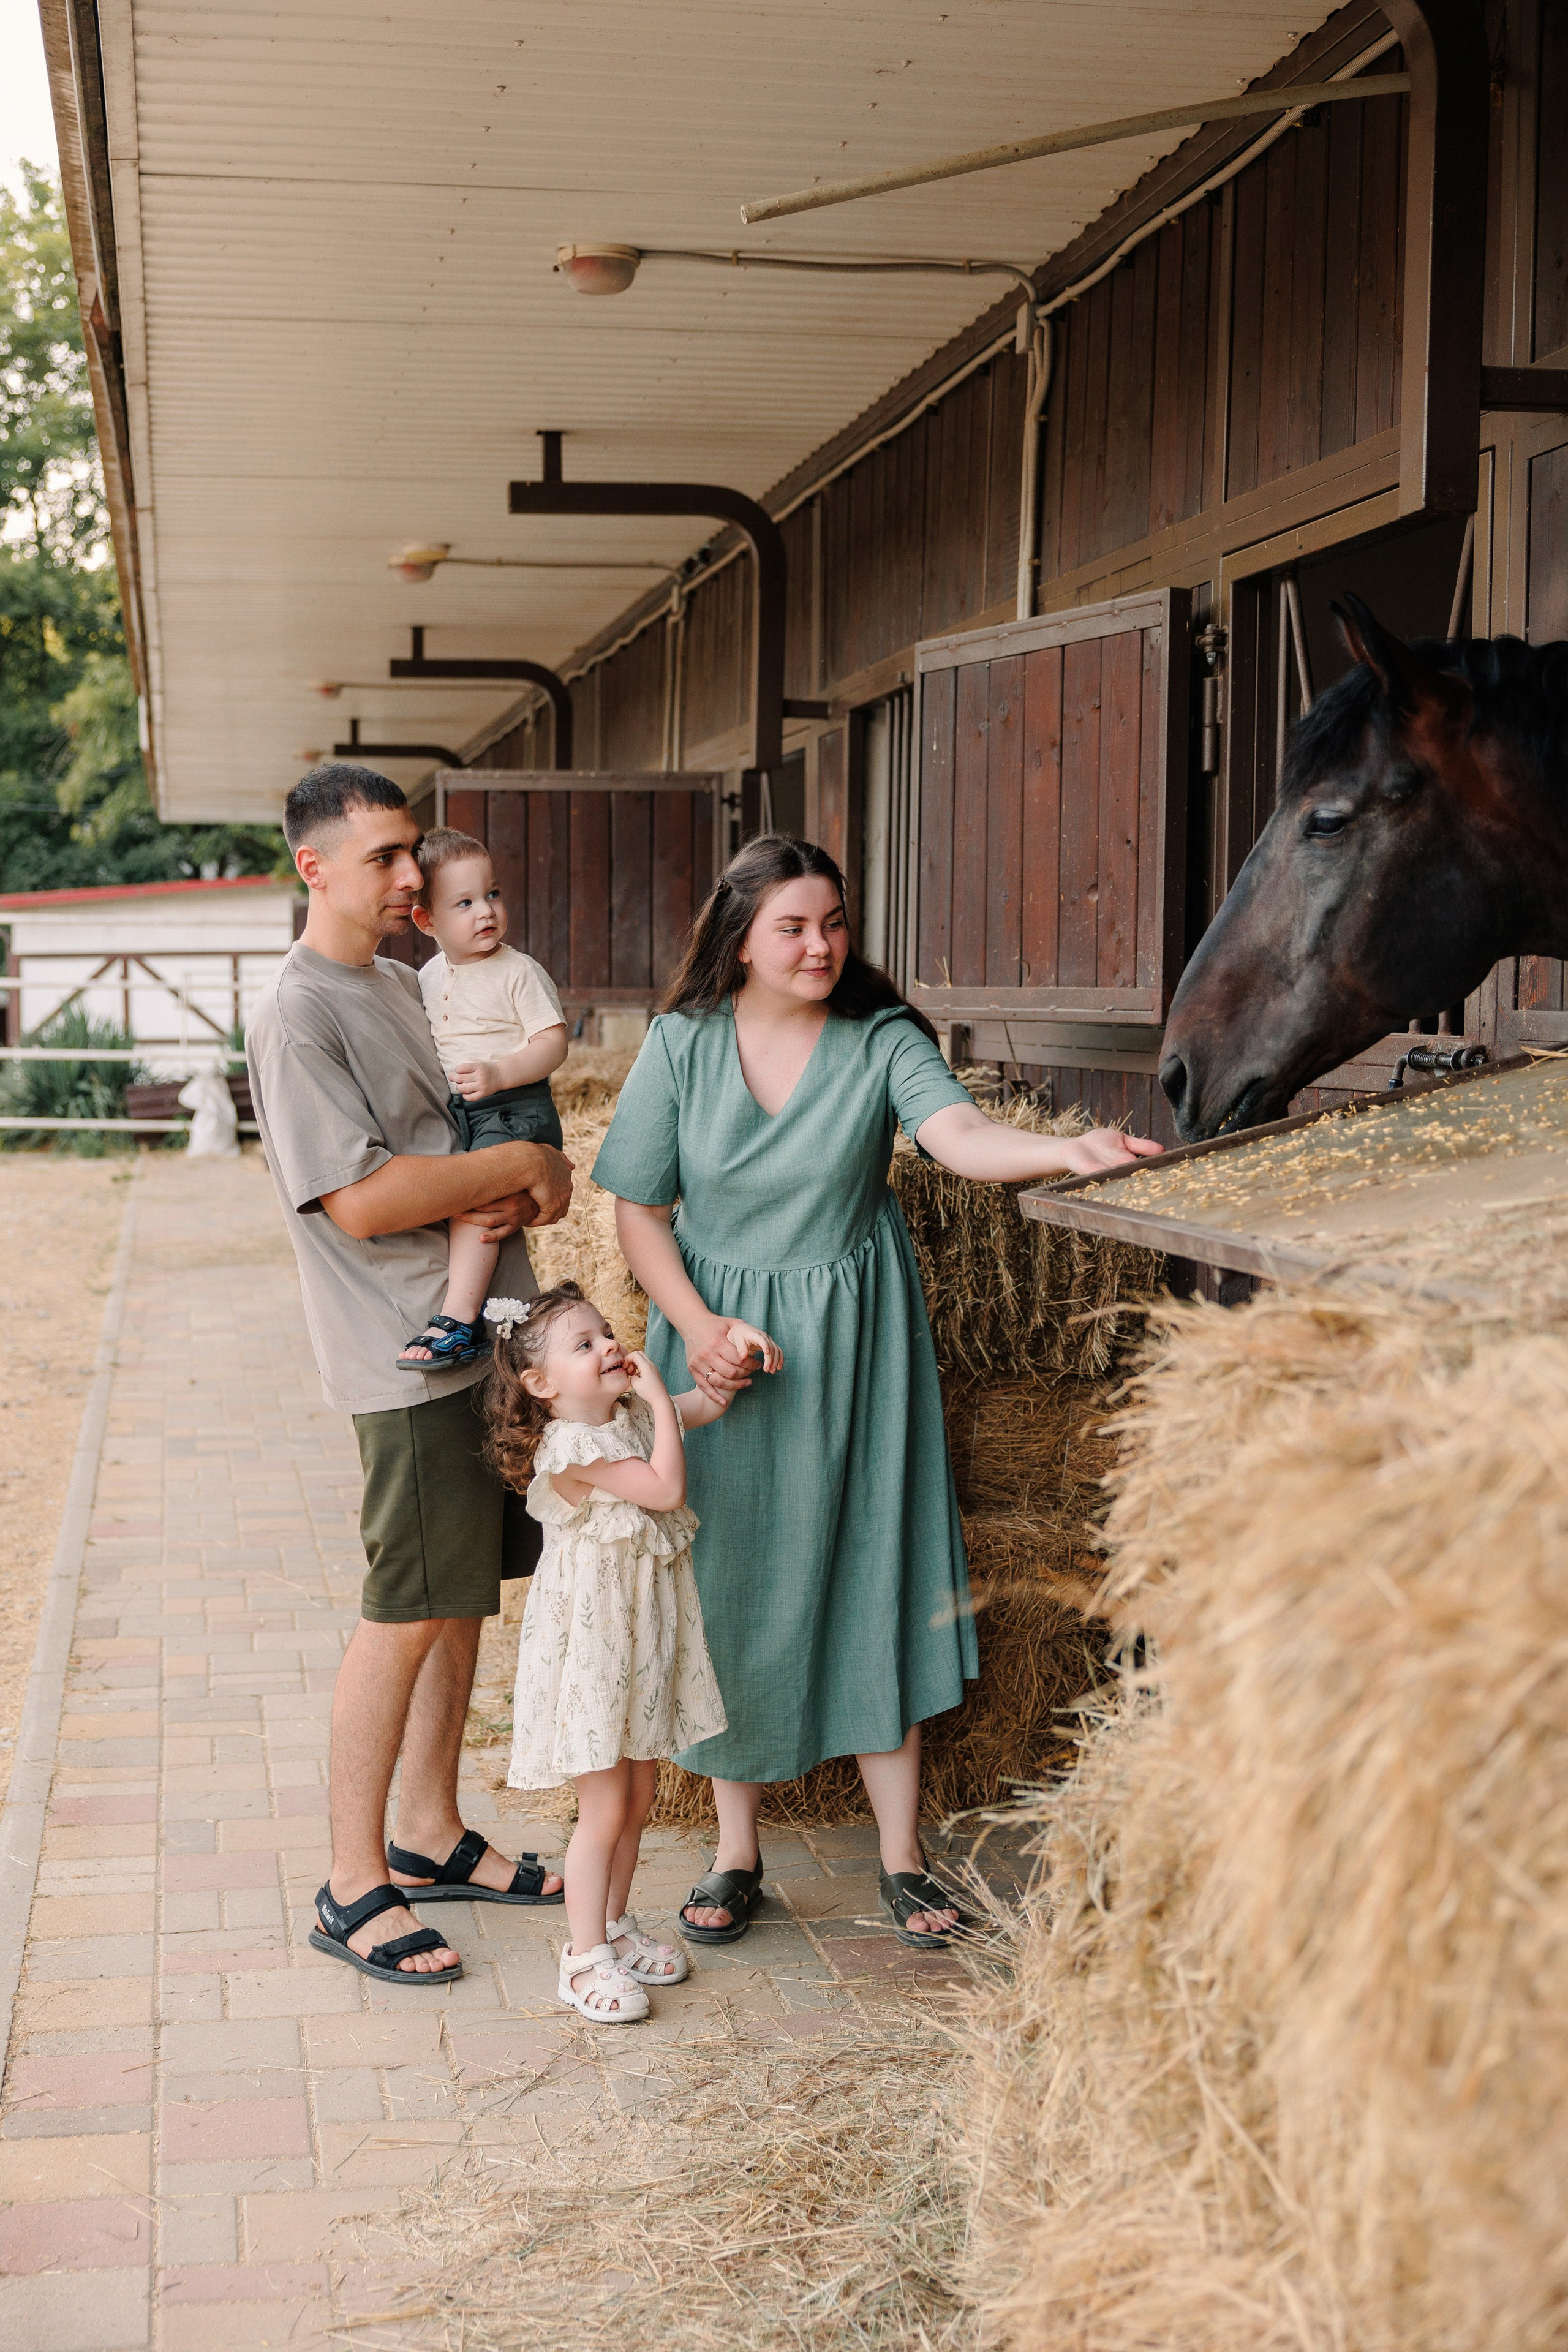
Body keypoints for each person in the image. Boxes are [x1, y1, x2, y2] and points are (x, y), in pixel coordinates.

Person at [592, 834, 1163, 1947]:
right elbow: (636, 1210)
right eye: (793, 927)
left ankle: (902, 1859)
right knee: (726, 1572)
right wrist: (701, 1334)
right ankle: (733, 1853)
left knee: (872, 1559)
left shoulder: (882, 1037)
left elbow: (958, 1137)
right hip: (718, 1343)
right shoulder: (679, 1044)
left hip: (854, 1343)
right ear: (741, 937)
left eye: (833, 923)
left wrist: (1062, 1151)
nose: (819, 945)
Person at [245, 763, 575, 1986]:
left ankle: (429, 1833)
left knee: (458, 1596)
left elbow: (469, 1137)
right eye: (384, 857)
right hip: (403, 1355)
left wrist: (525, 1165)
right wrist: (528, 1162)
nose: (409, 876)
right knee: (400, 1609)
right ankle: (349, 1882)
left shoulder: (398, 979)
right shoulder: (299, 1011)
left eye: (409, 856)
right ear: (313, 867)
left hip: (484, 1326)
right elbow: (365, 1194)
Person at [484, 1282, 733, 2021]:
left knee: (639, 1796)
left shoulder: (622, 1418)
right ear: (541, 1384)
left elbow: (695, 1415)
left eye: (606, 1333)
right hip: (593, 1652)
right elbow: (661, 1486)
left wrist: (725, 1368)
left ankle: (616, 1928)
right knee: (601, 1808)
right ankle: (581, 1957)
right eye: (583, 1345)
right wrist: (658, 1394)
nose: (608, 1348)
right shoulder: (571, 1446)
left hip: (638, 1641)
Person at [394, 826, 569, 1373]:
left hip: (514, 1107)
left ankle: (460, 1320)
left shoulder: (518, 971)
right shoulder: (427, 977)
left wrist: (501, 1071)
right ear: (427, 921)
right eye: (464, 903)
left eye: (492, 894)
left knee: (475, 1202)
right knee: (451, 1190)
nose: (485, 912)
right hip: (464, 1113)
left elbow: (554, 1043)